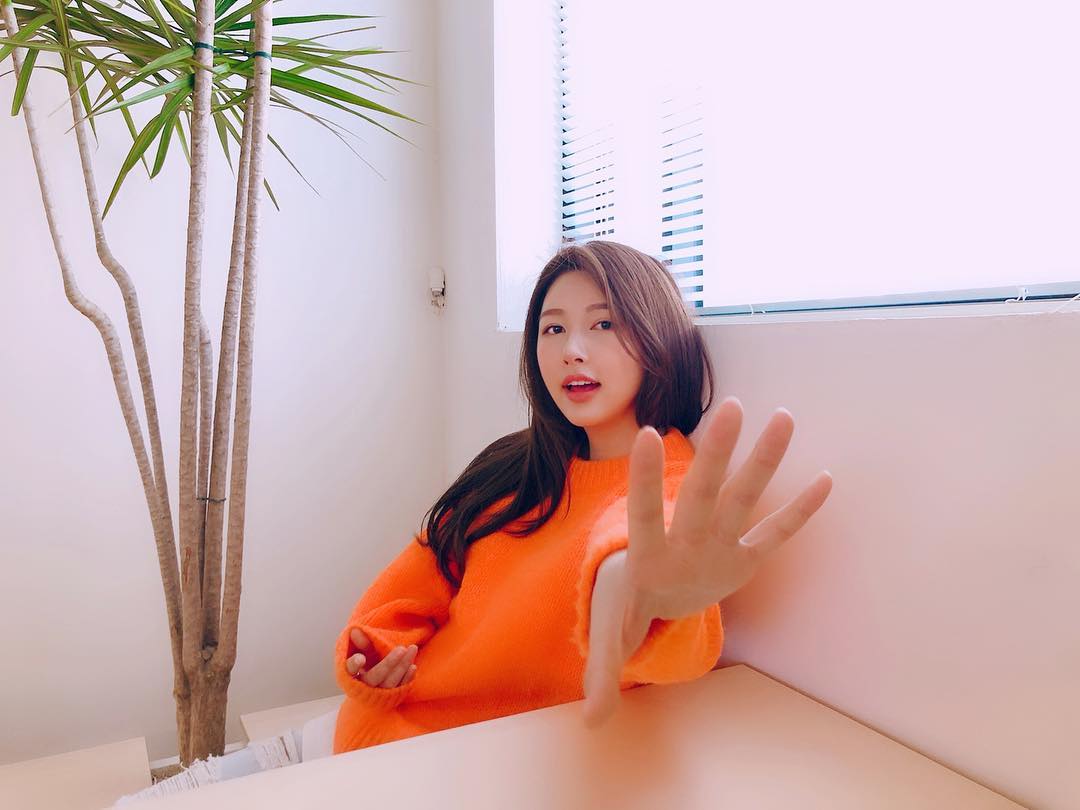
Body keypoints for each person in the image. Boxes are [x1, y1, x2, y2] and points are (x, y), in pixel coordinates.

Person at [116, 240, 832, 803]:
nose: (571, 349)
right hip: (348, 733)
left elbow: (637, 561)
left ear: (658, 335)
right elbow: (416, 587)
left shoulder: (665, 488)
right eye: (553, 328)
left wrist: (643, 602)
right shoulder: (515, 466)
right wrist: (376, 654)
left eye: (603, 324)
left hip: (425, 777)